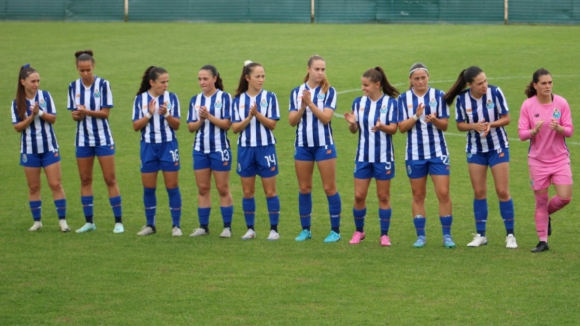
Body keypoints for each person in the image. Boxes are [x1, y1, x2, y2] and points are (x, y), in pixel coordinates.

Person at [444, 66, 517, 249]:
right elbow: (460, 125)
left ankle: (510, 235)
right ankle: (481, 235)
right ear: (470, 85)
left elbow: (507, 118)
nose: (484, 85)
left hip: (498, 147)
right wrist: (474, 126)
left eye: (485, 81)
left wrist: (490, 124)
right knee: (479, 192)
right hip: (476, 149)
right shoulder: (462, 99)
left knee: (502, 191)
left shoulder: (495, 92)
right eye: (480, 83)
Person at [397, 62, 455, 248]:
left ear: (428, 77)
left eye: (423, 78)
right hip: (414, 154)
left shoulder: (439, 96)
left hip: (437, 153)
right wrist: (416, 116)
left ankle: (447, 236)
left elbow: (445, 125)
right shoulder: (403, 99)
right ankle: (420, 236)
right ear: (411, 80)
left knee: (443, 193)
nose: (420, 81)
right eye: (417, 78)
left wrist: (434, 120)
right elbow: (401, 128)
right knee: (418, 195)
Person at [67, 50, 123, 234]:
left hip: (103, 139)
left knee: (109, 178)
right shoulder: (72, 87)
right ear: (77, 68)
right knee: (85, 179)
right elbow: (75, 116)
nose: (85, 73)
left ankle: (118, 222)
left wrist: (86, 112)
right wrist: (76, 115)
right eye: (81, 70)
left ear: (93, 67)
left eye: (88, 70)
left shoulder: (103, 84)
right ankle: (89, 222)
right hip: (82, 140)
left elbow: (105, 114)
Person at [518, 68, 573, 253]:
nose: (548, 86)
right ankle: (542, 241)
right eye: (543, 83)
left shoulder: (561, 103)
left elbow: (570, 131)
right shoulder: (528, 106)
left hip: (559, 159)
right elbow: (521, 134)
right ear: (535, 85)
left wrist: (560, 129)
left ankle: (546, 214)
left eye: (550, 82)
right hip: (538, 161)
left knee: (565, 197)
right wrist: (532, 132)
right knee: (540, 201)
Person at [289, 55, 342, 243]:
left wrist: (310, 103)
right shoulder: (296, 92)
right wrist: (302, 107)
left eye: (323, 69)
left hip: (324, 146)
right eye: (317, 69)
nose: (320, 73)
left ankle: (335, 231)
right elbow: (291, 121)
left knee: (329, 188)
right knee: (304, 188)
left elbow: (326, 118)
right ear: (308, 69)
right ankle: (306, 230)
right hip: (303, 146)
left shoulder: (329, 92)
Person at [344, 67, 399, 246]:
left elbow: (394, 129)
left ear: (377, 85)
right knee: (359, 196)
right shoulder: (358, 102)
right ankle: (359, 231)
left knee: (383, 196)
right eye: (362, 85)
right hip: (363, 157)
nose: (363, 88)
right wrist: (352, 124)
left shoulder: (390, 103)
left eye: (366, 85)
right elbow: (354, 131)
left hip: (384, 157)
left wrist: (382, 127)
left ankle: (384, 235)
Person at [11, 64, 70, 232]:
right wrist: (31, 116)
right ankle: (37, 221)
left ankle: (62, 221)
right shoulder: (17, 103)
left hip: (49, 148)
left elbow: (53, 118)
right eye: (32, 81)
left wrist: (40, 113)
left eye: (38, 81)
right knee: (34, 187)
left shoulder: (45, 96)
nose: (36, 84)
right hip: (29, 150)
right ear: (23, 82)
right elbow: (17, 127)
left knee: (55, 184)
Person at [231, 60, 281, 241]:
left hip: (266, 148)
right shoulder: (237, 100)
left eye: (263, 76)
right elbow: (235, 128)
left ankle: (274, 229)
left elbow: (273, 125)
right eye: (257, 76)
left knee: (270, 192)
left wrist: (258, 115)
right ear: (247, 78)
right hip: (245, 149)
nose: (261, 80)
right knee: (247, 192)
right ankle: (250, 229)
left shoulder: (270, 97)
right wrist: (249, 117)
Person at [132, 66, 182, 236]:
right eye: (162, 82)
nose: (166, 85)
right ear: (152, 83)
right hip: (148, 147)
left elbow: (177, 125)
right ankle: (150, 225)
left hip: (168, 146)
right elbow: (135, 126)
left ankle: (176, 226)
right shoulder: (140, 100)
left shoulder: (172, 98)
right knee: (149, 187)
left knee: (172, 186)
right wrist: (149, 114)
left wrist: (167, 114)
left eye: (167, 81)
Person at [187, 65, 234, 238]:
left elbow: (227, 124)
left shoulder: (225, 97)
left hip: (220, 149)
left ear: (214, 79)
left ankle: (227, 227)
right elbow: (191, 128)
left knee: (222, 188)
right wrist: (200, 119)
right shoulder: (195, 100)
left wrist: (209, 117)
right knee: (203, 188)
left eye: (205, 78)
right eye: (199, 79)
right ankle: (203, 227)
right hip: (200, 150)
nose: (202, 82)